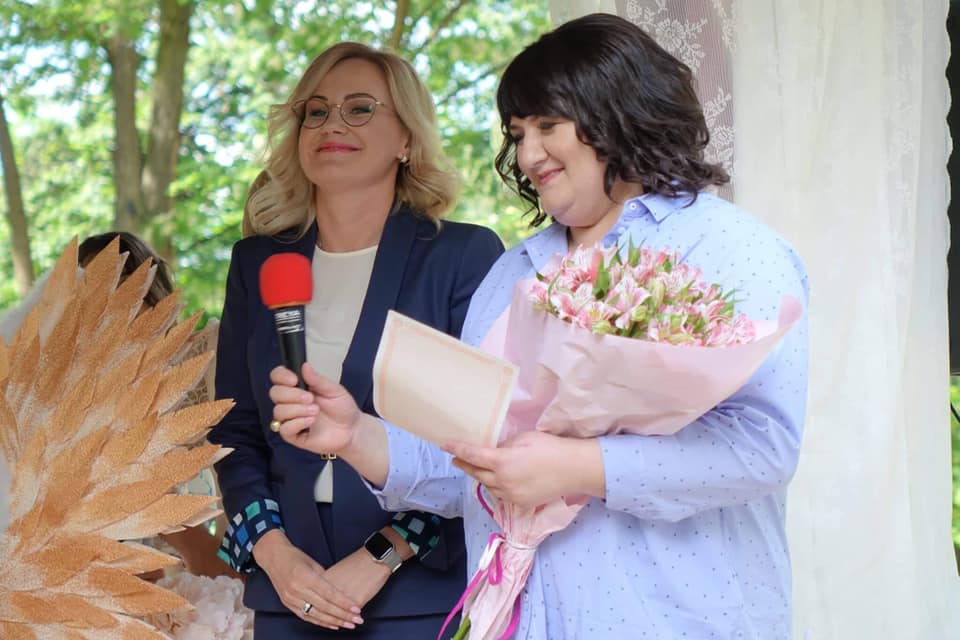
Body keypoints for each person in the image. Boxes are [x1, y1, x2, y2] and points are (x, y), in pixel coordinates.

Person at [268, 13, 810, 640]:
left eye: (548, 126)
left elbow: (762, 450)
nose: (527, 155)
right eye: (517, 133)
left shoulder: (728, 247)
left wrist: (581, 466)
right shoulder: (512, 274)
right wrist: (355, 434)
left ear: (619, 111)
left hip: (674, 621)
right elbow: (470, 464)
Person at [207, 42, 504, 638]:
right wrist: (275, 555)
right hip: (287, 595)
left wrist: (383, 554)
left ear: (407, 140)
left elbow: (477, 443)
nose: (332, 124)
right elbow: (235, 431)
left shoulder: (463, 257)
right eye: (315, 111)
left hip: (419, 594)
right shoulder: (257, 262)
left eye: (360, 108)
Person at [0, 231, 233, 580]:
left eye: (124, 286)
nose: (109, 305)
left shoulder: (201, 369)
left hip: (199, 578)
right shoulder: (51, 398)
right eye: (92, 290)